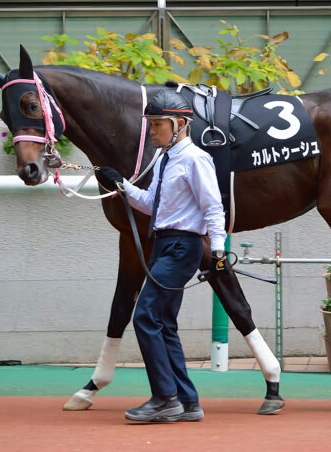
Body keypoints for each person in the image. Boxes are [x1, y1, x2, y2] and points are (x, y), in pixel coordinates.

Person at [96, 89, 227, 423]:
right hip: (166, 244)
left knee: (145, 317)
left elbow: (213, 207)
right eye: (151, 124)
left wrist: (220, 250)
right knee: (164, 323)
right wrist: (120, 184)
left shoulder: (196, 159)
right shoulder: (166, 159)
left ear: (180, 124)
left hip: (183, 247)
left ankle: (164, 398)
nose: (152, 131)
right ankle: (187, 401)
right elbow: (151, 203)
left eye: (157, 125)